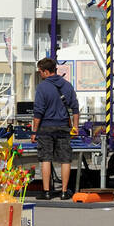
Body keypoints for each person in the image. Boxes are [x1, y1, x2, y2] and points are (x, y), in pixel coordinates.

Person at [32, 58, 80, 200]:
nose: (40, 74)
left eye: (40, 71)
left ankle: (46, 191)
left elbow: (38, 113)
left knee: (45, 159)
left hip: (46, 127)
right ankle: (64, 192)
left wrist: (34, 132)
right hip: (64, 127)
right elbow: (75, 108)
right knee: (65, 159)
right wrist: (75, 127)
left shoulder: (42, 88)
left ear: (46, 71)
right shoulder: (67, 85)